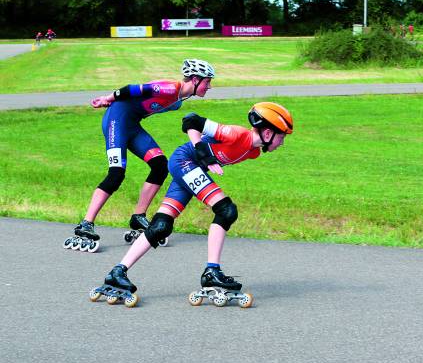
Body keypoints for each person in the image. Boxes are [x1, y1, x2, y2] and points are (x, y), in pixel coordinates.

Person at [97, 102, 294, 298]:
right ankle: (212, 271)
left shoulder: (253, 152)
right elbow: (191, 120)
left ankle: (117, 272)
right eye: (282, 136)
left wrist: (205, 160)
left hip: (192, 169)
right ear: (268, 134)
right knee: (226, 210)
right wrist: (201, 151)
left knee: (161, 226)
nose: (282, 142)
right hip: (185, 161)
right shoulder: (236, 134)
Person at [65, 58, 215, 252]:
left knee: (160, 165)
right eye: (207, 81)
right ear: (195, 80)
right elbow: (131, 89)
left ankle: (138, 217)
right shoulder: (170, 88)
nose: (209, 86)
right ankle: (86, 223)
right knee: (116, 174)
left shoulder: (178, 101)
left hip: (132, 125)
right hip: (116, 120)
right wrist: (107, 98)